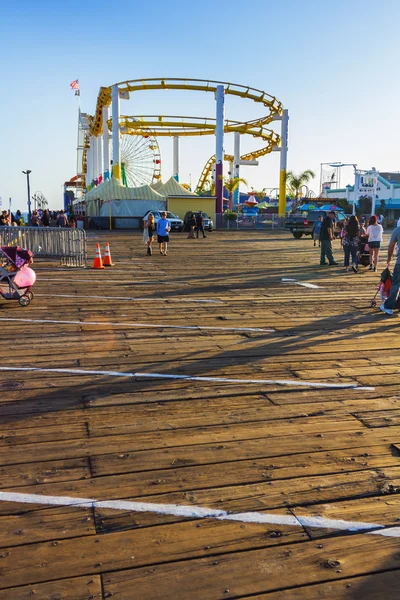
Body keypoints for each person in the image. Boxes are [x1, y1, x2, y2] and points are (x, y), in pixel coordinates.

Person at [380, 224, 400, 315]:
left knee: (396, 285)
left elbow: (391, 246)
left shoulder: (397, 230)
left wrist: (389, 258)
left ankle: (388, 306)